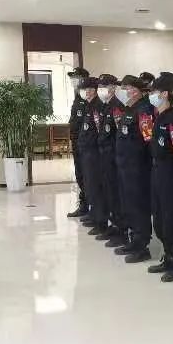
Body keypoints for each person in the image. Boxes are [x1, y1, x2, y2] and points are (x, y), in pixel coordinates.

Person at [146, 72, 173, 281]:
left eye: (154, 91)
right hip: (157, 172)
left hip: (170, 175)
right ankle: (168, 256)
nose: (151, 95)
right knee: (160, 219)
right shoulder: (159, 117)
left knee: (171, 220)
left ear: (164, 94)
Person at [114, 74, 154, 263]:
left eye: (128, 88)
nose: (125, 91)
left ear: (137, 91)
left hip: (137, 168)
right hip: (125, 166)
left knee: (138, 206)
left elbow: (148, 141)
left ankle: (141, 245)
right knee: (128, 204)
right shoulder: (128, 109)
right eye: (124, 88)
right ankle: (133, 239)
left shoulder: (144, 110)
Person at [95, 74, 127, 247]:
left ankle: (121, 230)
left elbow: (118, 136)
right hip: (104, 156)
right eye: (100, 86)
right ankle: (113, 225)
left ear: (113, 88)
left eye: (104, 86)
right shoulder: (105, 106)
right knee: (108, 192)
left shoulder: (117, 107)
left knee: (116, 195)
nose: (101, 90)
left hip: (113, 158)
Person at [76, 77, 108, 236]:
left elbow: (99, 131)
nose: (86, 92)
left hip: (94, 153)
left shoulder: (97, 107)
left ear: (95, 91)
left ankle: (100, 220)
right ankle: (93, 215)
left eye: (89, 89)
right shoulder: (88, 106)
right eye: (84, 89)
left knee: (96, 187)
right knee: (89, 186)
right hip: (86, 152)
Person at [66, 67, 90, 218]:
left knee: (87, 176)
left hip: (85, 144)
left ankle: (89, 206)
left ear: (83, 79)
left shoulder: (87, 98)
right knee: (80, 175)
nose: (73, 81)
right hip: (76, 143)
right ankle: (84, 205)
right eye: (72, 78)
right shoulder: (77, 97)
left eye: (76, 78)